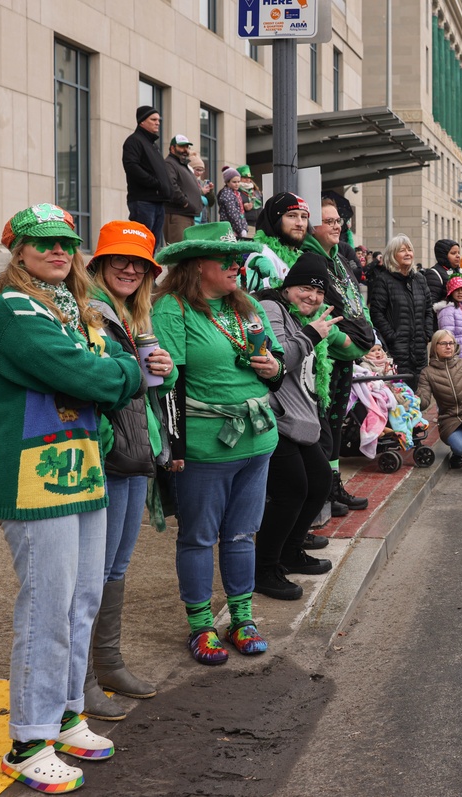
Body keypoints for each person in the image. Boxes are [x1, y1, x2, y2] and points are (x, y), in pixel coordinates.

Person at [0, 204, 143, 791]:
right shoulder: (14, 311)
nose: (56, 251)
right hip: (33, 478)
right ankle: (28, 738)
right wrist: (130, 370)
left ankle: (67, 713)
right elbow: (93, 378)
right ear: (17, 250)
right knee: (46, 608)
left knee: (82, 601)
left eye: (65, 242)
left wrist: (120, 368)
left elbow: (104, 369)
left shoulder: (72, 311)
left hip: (84, 470)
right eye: (42, 242)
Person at [151, 222, 284, 665]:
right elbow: (170, 384)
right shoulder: (173, 308)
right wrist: (175, 448)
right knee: (198, 537)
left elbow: (277, 363)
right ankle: (200, 625)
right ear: (197, 265)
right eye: (226, 259)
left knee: (243, 534)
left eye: (238, 258)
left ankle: (242, 617)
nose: (236, 265)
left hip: (258, 439)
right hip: (206, 447)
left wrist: (272, 368)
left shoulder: (246, 305)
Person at [82, 220, 176, 722]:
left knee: (114, 569)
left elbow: (150, 383)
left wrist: (163, 365)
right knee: (92, 573)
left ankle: (109, 663)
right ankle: (84, 681)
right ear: (97, 263)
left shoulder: (132, 315)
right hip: (104, 456)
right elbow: (99, 381)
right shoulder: (90, 312)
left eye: (139, 262)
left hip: (133, 455)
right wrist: (142, 373)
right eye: (119, 258)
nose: (129, 267)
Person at [254, 254, 341, 600]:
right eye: (306, 288)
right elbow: (276, 361)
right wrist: (311, 334)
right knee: (291, 491)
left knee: (319, 482)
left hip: (299, 419)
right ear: (288, 286)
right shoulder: (271, 309)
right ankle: (265, 569)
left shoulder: (298, 314)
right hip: (275, 418)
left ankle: (290, 552)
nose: (313, 297)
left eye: (319, 292)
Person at [301, 197, 375, 513]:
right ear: (312, 226)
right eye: (329, 221)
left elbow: (357, 305)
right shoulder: (308, 259)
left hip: (346, 359)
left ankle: (333, 486)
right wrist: (344, 341)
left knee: (335, 424)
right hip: (326, 358)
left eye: (338, 221)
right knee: (323, 427)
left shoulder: (339, 260)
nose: (337, 226)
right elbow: (310, 310)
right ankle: (323, 492)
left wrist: (370, 337)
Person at [417, 329, 462, 473]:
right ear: (435, 346)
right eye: (443, 343)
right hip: (448, 421)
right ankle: (459, 452)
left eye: (451, 343)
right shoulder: (427, 372)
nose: (448, 346)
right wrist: (411, 399)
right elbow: (423, 401)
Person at [367, 233, 433, 389]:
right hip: (397, 351)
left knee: (419, 394)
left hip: (419, 349)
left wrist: (426, 334)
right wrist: (392, 337)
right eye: (402, 250)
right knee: (400, 395)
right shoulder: (384, 280)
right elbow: (377, 314)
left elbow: (428, 309)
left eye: (409, 249)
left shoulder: (419, 280)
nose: (408, 253)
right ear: (392, 255)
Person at [122, 106, 176, 251]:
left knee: (152, 245)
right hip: (143, 202)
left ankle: (147, 274)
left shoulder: (152, 145)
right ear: (141, 122)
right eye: (153, 119)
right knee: (141, 243)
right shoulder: (134, 141)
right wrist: (155, 184)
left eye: (158, 120)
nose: (157, 122)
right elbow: (131, 166)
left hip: (157, 202)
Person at [246, 192, 310, 292]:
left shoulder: (300, 257)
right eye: (292, 216)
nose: (300, 223)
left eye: (304, 217)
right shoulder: (262, 256)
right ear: (275, 220)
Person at [163, 134, 202, 244]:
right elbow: (171, 185)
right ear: (172, 148)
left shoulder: (181, 165)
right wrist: (184, 202)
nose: (185, 150)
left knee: (187, 252)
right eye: (181, 147)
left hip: (187, 215)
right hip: (177, 215)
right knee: (178, 251)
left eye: (187, 147)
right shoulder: (169, 163)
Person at [435, 275, 462, 366]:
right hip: (457, 359)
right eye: (457, 290)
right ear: (451, 292)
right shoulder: (447, 311)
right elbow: (447, 338)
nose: (460, 293)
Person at [425, 238, 461, 303]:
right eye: (453, 253)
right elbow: (432, 303)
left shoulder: (459, 272)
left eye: (458, 252)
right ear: (444, 255)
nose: (458, 256)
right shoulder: (434, 274)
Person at [217, 166, 250, 239]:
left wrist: (244, 228)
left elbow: (241, 213)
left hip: (236, 229)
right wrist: (241, 229)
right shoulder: (227, 194)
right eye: (234, 182)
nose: (237, 184)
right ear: (227, 182)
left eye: (238, 182)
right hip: (230, 229)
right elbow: (232, 214)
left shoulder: (236, 193)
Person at [188, 152, 216, 224]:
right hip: (193, 218)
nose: (199, 173)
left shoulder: (201, 183)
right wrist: (201, 192)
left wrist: (210, 191)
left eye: (202, 170)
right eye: (197, 170)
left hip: (204, 218)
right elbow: (189, 196)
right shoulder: (187, 181)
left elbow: (211, 203)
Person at [238, 165, 263, 232]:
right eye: (244, 177)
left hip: (258, 223)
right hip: (246, 224)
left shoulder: (255, 190)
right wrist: (244, 206)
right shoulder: (237, 191)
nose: (247, 179)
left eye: (249, 177)